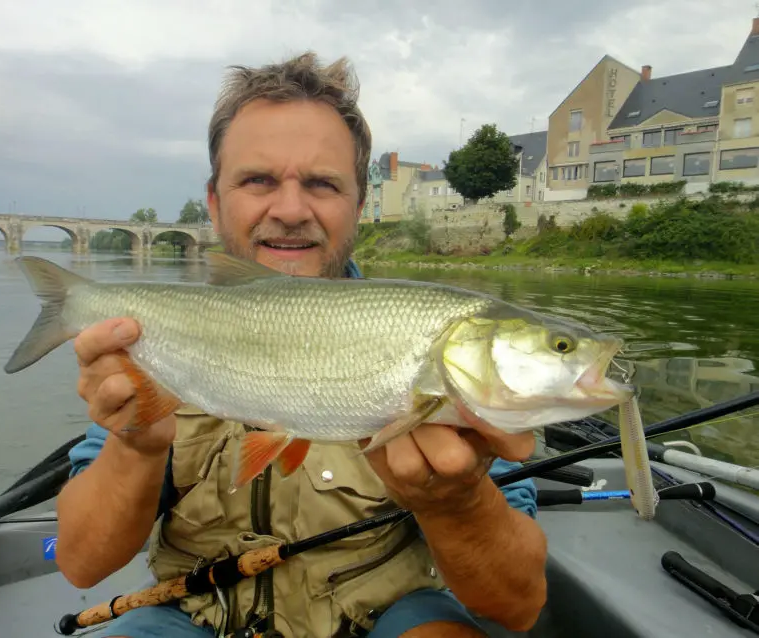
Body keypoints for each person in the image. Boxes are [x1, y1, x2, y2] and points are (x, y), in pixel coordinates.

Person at [57, 51, 548, 638]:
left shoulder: (441, 344)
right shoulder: (156, 344)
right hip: (195, 615)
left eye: (321, 183)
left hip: (388, 611)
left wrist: (457, 502)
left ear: (360, 206)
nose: (290, 211)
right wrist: (136, 450)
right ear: (215, 203)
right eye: (259, 180)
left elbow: (517, 607)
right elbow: (82, 564)